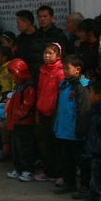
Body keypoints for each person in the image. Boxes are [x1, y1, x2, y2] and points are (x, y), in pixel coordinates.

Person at [53, 54, 91, 195]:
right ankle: (69, 183)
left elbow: (84, 109)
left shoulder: (83, 86)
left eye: (67, 68)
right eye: (63, 68)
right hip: (64, 130)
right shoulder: (64, 85)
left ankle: (85, 187)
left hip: (76, 132)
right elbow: (59, 107)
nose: (64, 71)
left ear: (78, 69)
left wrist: (81, 129)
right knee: (66, 159)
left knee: (81, 161)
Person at [34, 42, 65, 183]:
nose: (46, 56)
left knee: (57, 145)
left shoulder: (60, 72)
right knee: (46, 144)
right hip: (43, 111)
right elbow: (39, 91)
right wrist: (37, 110)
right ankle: (49, 171)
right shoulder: (43, 71)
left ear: (58, 56)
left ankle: (60, 173)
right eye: (45, 53)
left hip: (56, 113)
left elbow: (61, 94)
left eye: (50, 53)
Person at [4, 58, 36, 181]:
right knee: (16, 147)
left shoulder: (28, 86)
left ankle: (27, 170)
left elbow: (27, 105)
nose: (12, 77)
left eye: (13, 73)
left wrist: (17, 115)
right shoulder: (19, 86)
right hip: (16, 121)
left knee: (25, 147)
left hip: (24, 122)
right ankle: (18, 168)